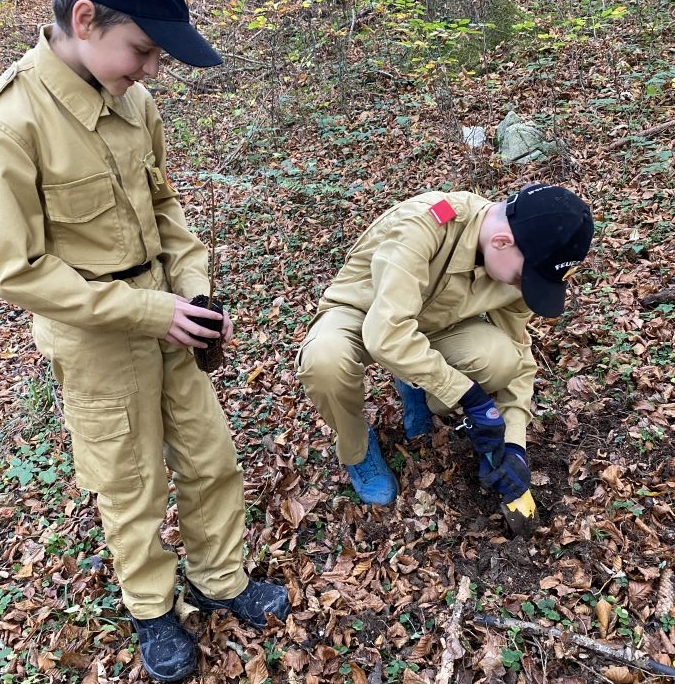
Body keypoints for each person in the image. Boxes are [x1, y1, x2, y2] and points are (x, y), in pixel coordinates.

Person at [0, 2, 289, 682]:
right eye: (143, 50)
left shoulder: (135, 103)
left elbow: (166, 208)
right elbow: (18, 268)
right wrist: (143, 311)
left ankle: (220, 579)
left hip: (169, 315)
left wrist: (191, 287)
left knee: (209, 454)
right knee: (130, 484)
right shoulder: (15, 120)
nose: (153, 68)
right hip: (95, 337)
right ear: (85, 19)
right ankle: (152, 608)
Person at [296, 184, 594, 524]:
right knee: (324, 360)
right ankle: (358, 449)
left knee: (500, 359)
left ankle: (418, 387)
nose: (522, 288)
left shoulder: (519, 265)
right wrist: (471, 398)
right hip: (364, 312)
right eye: (522, 278)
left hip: (436, 324)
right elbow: (385, 334)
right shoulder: (424, 225)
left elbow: (520, 356)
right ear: (501, 242)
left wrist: (514, 446)